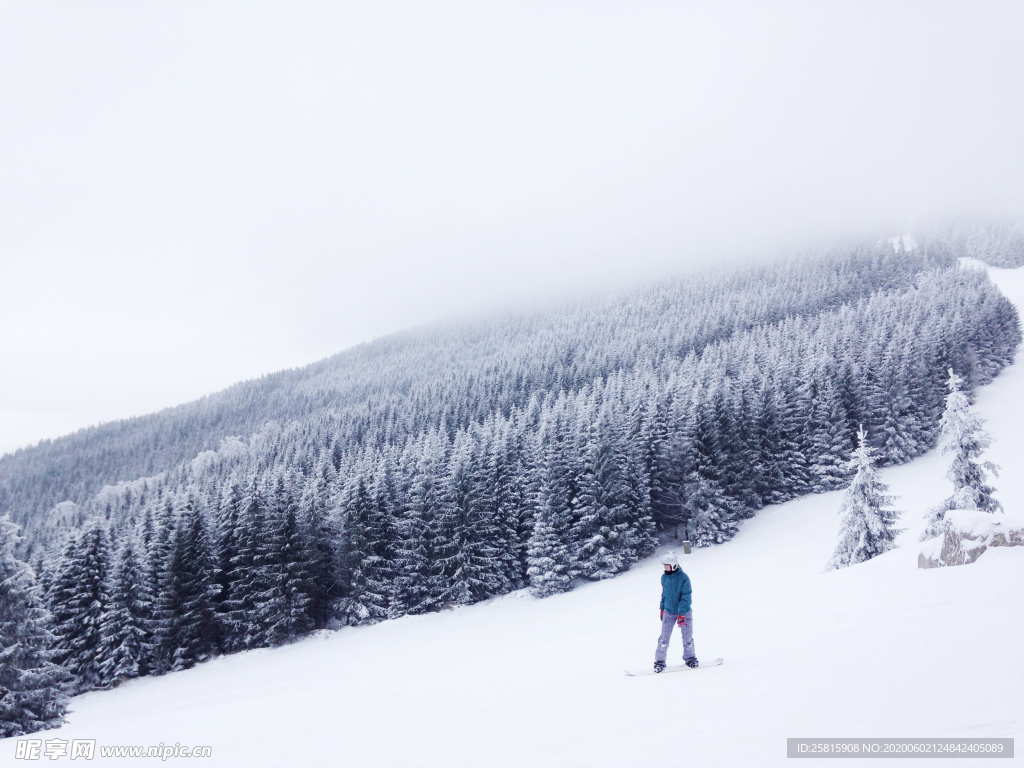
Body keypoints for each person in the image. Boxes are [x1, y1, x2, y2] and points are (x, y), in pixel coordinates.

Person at [654, 551, 698, 672]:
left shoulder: (684, 578)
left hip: (684, 612)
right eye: (664, 565)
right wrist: (662, 608)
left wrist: (682, 614)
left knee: (687, 638)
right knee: (663, 639)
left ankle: (690, 658)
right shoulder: (664, 578)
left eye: (667, 565)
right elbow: (664, 595)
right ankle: (659, 661)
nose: (664, 568)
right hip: (669, 612)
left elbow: (686, 597)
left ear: (673, 565)